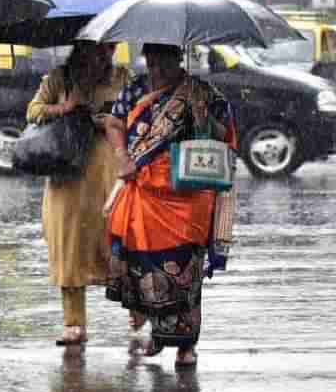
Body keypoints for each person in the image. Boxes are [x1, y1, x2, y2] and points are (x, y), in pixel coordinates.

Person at [104, 43, 236, 369]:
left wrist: (202, 117)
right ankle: (160, 332)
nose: (157, 70)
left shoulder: (203, 93)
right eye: (152, 62)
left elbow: (226, 136)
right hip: (144, 193)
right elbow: (114, 123)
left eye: (164, 63)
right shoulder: (135, 88)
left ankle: (185, 345)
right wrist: (122, 157)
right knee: (146, 267)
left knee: (186, 273)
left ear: (179, 59)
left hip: (188, 196)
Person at [26, 41, 130, 346]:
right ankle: (73, 323)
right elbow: (33, 111)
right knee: (68, 246)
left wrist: (108, 121)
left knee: (120, 241)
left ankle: (137, 309)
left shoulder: (122, 78)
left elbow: (138, 115)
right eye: (97, 49)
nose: (103, 55)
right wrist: (64, 109)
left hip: (108, 172)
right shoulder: (60, 78)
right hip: (67, 175)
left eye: (109, 49)